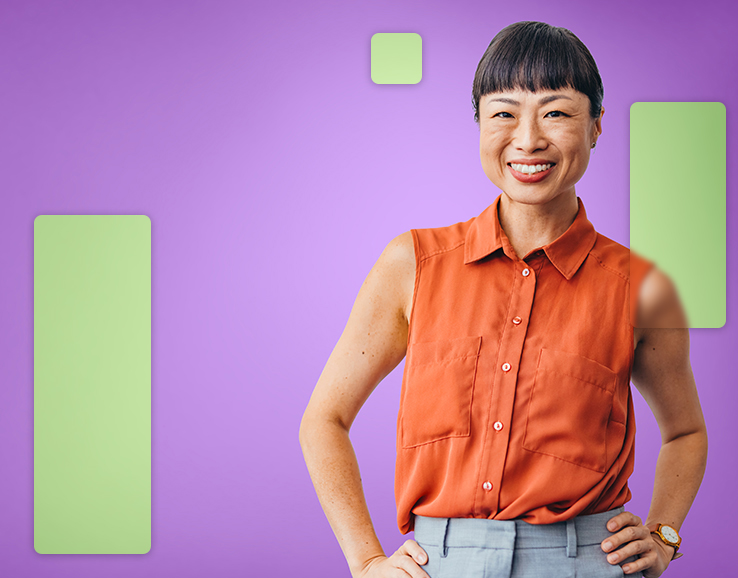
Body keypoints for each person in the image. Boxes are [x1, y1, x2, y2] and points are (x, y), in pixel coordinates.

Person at [299, 21, 707, 578]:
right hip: (438, 564)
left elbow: (686, 432)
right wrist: (366, 560)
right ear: (480, 125)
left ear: (596, 127)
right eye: (504, 113)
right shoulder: (411, 264)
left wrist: (663, 535)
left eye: (557, 112)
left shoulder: (644, 287)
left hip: (585, 562)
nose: (528, 138)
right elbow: (324, 419)